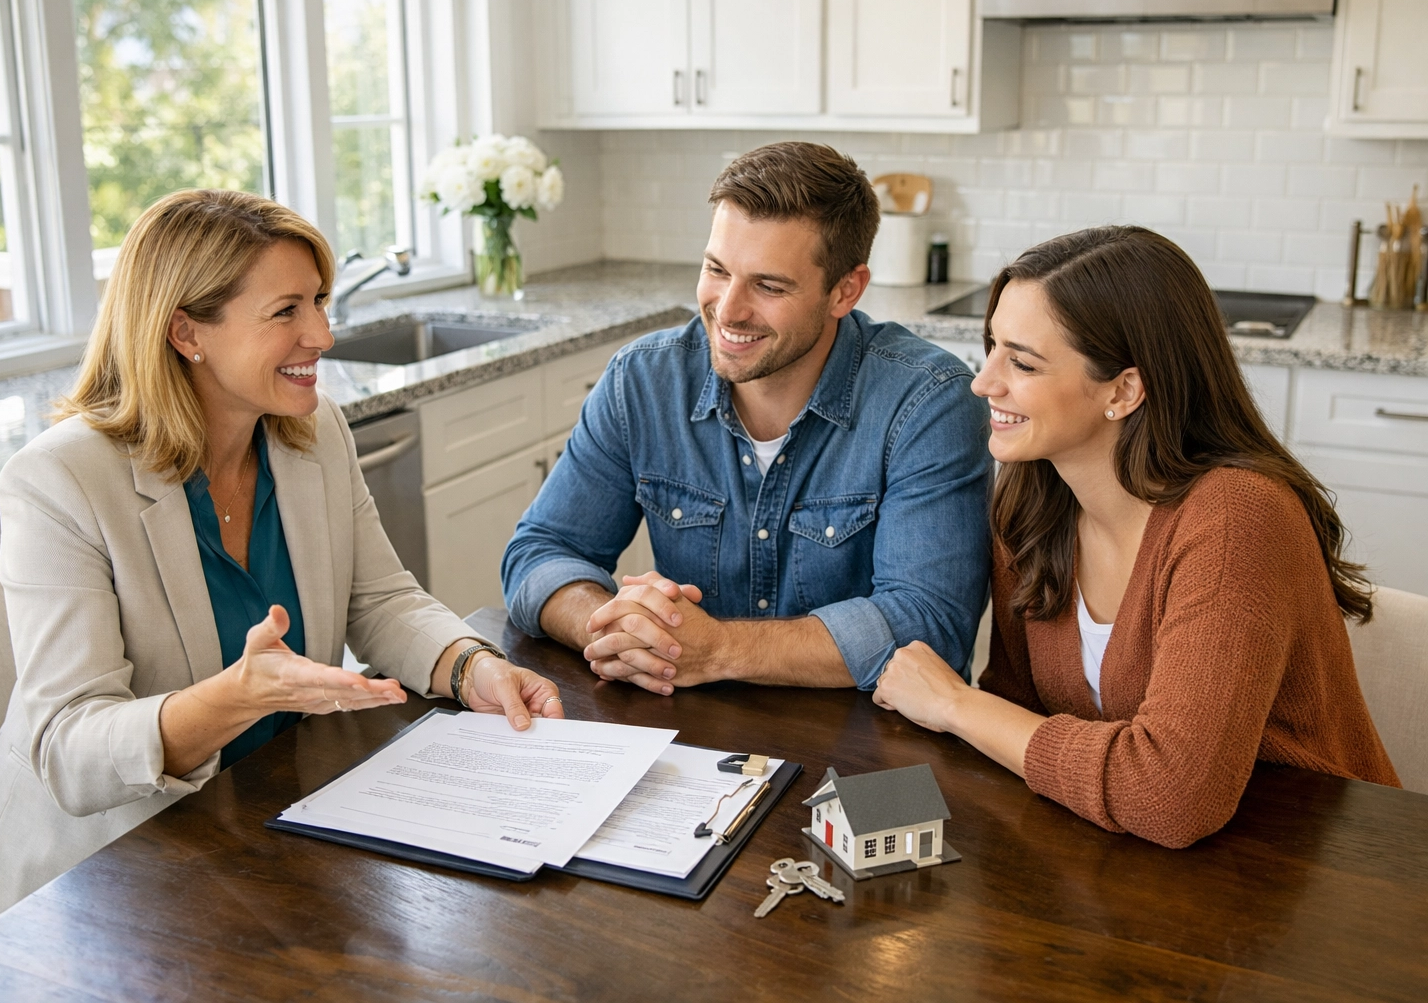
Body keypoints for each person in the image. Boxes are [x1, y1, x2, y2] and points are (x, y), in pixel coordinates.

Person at [0, 190, 565, 924]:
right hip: (83, 885)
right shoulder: (61, 479)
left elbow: (379, 599)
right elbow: (69, 751)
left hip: (251, 824)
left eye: (320, 301)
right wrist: (238, 697)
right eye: (286, 311)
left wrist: (471, 667)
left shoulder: (311, 429)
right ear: (186, 331)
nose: (322, 334)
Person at [871, 226, 1400, 848]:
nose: (983, 382)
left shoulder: (1237, 520)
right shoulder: (1031, 506)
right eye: (991, 347)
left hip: (1319, 864)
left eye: (1023, 362)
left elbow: (1171, 798)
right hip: (1132, 862)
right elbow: (1018, 715)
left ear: (1123, 390)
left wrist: (955, 705)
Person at [501, 142, 991, 695]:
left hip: (866, 733)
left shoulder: (929, 401)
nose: (728, 310)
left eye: (769, 285)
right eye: (716, 269)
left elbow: (930, 622)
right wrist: (622, 628)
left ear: (845, 291)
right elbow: (539, 554)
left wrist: (718, 650)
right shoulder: (642, 380)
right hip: (685, 720)